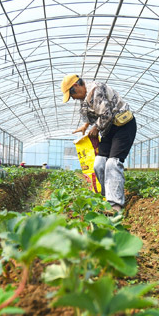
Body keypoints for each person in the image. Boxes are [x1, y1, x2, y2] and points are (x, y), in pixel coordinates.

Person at [61, 74, 136, 213]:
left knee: (112, 163)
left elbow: (106, 114)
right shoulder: (85, 98)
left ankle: (115, 205)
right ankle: (107, 196)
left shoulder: (96, 90)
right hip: (108, 129)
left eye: (71, 94)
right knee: (99, 164)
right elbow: (93, 112)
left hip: (123, 125)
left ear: (76, 86)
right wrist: (86, 126)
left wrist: (95, 127)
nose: (72, 98)